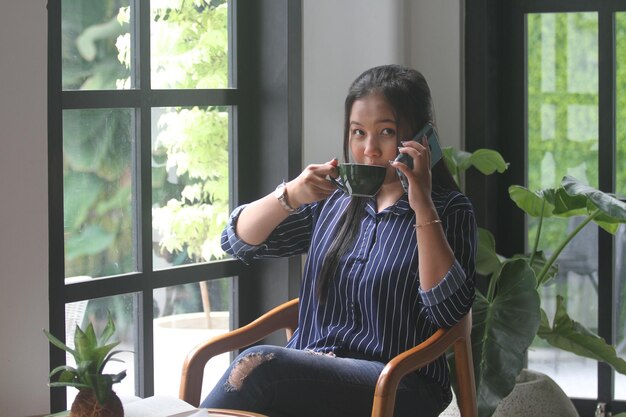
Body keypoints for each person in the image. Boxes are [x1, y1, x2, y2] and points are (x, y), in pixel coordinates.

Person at [200, 64, 476, 417]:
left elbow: (448, 312)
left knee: (258, 367)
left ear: (422, 139)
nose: (370, 149)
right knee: (259, 375)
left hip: (398, 384)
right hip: (311, 371)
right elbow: (237, 242)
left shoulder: (450, 211)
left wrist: (421, 202)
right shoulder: (333, 202)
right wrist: (291, 194)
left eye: (386, 132)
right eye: (358, 133)